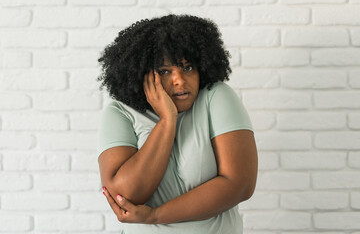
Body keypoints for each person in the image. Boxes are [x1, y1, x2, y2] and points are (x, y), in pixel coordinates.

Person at [96, 14, 258, 234]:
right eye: (165, 71)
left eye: (188, 67)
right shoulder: (120, 113)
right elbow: (124, 196)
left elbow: (240, 185)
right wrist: (167, 120)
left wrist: (156, 216)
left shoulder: (216, 97)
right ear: (141, 74)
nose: (180, 80)